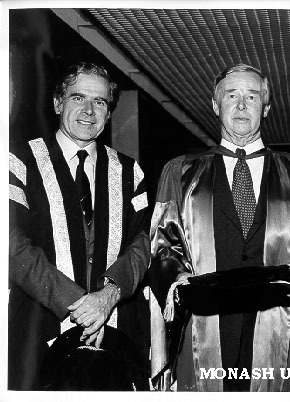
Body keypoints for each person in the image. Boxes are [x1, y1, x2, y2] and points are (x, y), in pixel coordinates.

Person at [149, 64, 290, 391]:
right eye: (231, 95)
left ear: (266, 108)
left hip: (279, 323)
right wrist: (178, 278)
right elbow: (164, 246)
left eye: (252, 96)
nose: (241, 104)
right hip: (205, 327)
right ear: (215, 105)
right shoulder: (179, 172)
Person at [8, 62, 151, 390]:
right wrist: (75, 302)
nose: (89, 110)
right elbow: (12, 244)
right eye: (78, 98)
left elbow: (144, 243)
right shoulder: (18, 162)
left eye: (100, 102)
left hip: (115, 331)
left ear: (109, 112)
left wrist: (106, 297)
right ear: (59, 103)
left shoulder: (130, 172)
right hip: (37, 330)